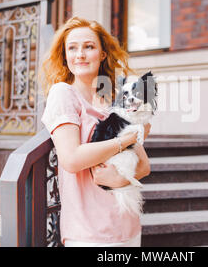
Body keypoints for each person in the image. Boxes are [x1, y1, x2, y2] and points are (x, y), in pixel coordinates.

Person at [39, 16, 151, 247]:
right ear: (65, 55)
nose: (80, 54)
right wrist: (127, 140)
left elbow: (144, 166)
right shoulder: (63, 93)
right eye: (72, 48)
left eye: (88, 47)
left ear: (102, 54)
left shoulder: (113, 100)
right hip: (89, 233)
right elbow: (71, 159)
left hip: (127, 225)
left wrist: (120, 179)